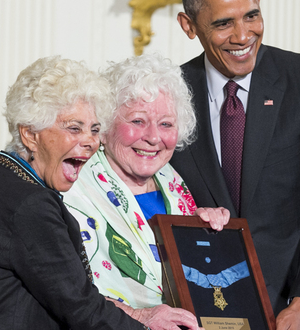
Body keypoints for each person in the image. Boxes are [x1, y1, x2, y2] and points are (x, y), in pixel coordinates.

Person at [0, 55, 186, 329]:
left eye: (95, 129)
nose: (90, 142)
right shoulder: (28, 203)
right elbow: (82, 309)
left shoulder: (6, 178)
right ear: (30, 134)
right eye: (74, 128)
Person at [169, 0, 300, 329]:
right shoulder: (172, 93)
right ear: (188, 26)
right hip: (219, 311)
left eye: (252, 16)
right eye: (223, 24)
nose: (243, 35)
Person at [63, 53, 229, 328]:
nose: (153, 137)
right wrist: (140, 317)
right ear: (104, 126)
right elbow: (66, 293)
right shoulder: (74, 186)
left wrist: (207, 233)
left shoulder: (173, 181)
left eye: (166, 124)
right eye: (138, 121)